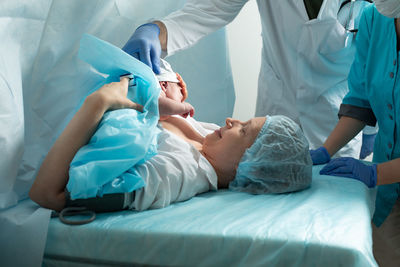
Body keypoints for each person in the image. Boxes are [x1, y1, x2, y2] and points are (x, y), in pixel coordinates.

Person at [122, 0, 376, 161]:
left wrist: (372, 127)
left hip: (339, 120)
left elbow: (381, 57)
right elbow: (212, 8)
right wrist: (158, 31)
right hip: (277, 107)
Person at [29, 75, 312, 213]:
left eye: (243, 130)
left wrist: (98, 104)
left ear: (249, 166)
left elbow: (48, 195)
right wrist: (171, 95)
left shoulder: (173, 174)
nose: (230, 120)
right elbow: (155, 119)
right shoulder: (209, 140)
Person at [310, 3, 400, 265]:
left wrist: (375, 173)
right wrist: (326, 150)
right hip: (389, 192)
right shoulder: (374, 18)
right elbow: (361, 102)